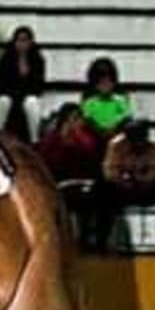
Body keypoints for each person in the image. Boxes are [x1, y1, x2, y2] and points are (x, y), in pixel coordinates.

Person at [93, 117, 155, 253]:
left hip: (145, 189)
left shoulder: (154, 148)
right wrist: (123, 179)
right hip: (121, 189)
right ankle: (101, 238)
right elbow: (110, 171)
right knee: (103, 190)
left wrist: (140, 178)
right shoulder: (116, 146)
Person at [37, 101, 104, 243]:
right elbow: (47, 163)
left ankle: (89, 241)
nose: (77, 122)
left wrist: (78, 140)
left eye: (79, 119)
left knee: (95, 195)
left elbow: (92, 159)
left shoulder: (86, 138)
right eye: (73, 119)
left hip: (83, 182)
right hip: (58, 183)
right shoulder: (52, 139)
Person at [0, 24, 46, 144]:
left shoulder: (37, 60)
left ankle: (35, 140)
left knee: (31, 103)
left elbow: (38, 86)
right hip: (9, 95)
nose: (22, 44)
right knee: (3, 101)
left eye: (25, 41)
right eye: (19, 40)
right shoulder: (6, 59)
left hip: (28, 96)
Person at [80, 56, 134, 137]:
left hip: (116, 135)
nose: (105, 85)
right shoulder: (89, 100)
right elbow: (87, 118)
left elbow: (125, 117)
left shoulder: (120, 98)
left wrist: (114, 129)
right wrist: (99, 130)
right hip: (93, 137)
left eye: (108, 81)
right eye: (101, 82)